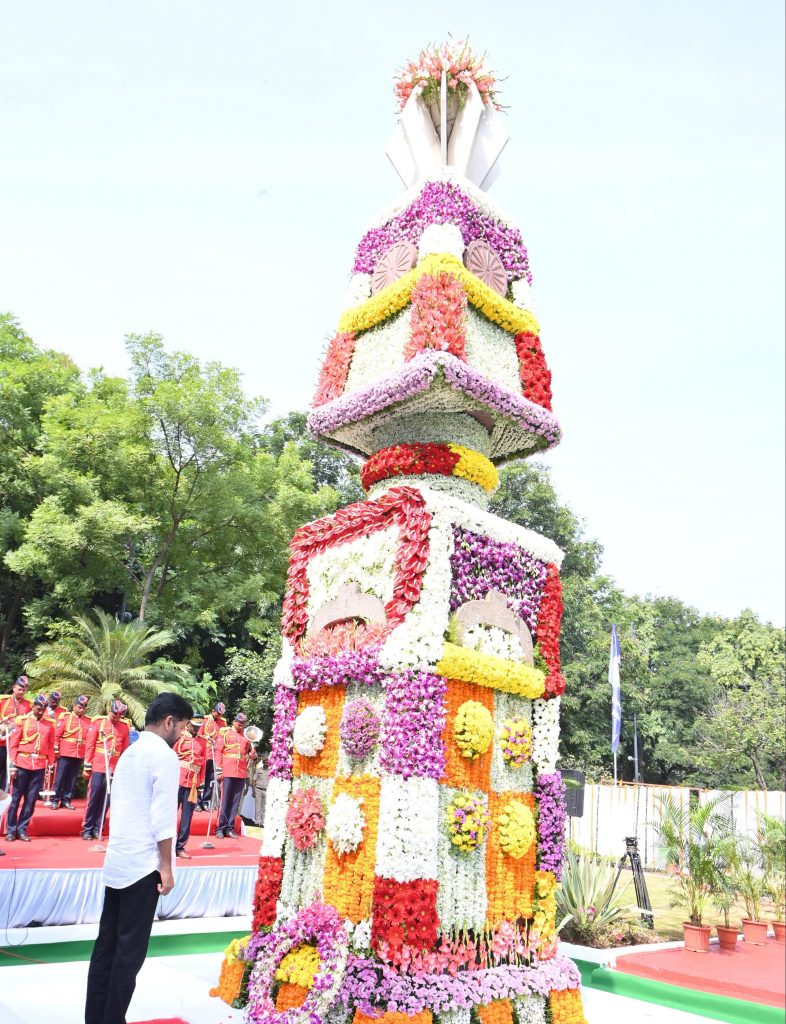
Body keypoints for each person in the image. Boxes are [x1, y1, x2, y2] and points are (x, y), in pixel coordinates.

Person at [84, 691, 193, 1024]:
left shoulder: (131, 752)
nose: (184, 735)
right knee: (128, 956)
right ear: (169, 721)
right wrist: (167, 868)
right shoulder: (163, 756)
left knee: (106, 949)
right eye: (184, 727)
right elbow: (162, 820)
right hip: (143, 867)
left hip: (118, 863)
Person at [6, 694, 55, 841]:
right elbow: (14, 744)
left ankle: (22, 829)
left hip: (39, 765)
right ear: (33, 706)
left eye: (43, 709)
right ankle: (10, 830)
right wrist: (12, 764)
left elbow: (51, 746)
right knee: (15, 798)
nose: (40, 711)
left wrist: (51, 764)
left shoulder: (49, 724)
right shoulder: (22, 721)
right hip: (22, 762)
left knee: (31, 799)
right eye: (38, 708)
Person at [81, 700, 130, 841]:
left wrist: (123, 769)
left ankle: (98, 828)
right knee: (93, 798)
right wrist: (87, 766)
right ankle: (87, 828)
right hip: (98, 765)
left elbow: (125, 750)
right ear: (110, 711)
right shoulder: (98, 723)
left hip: (113, 767)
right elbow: (90, 745)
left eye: (119, 715)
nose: (116, 717)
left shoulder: (124, 727)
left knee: (106, 800)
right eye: (114, 714)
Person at [214, 712, 257, 839]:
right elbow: (218, 751)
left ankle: (230, 827)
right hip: (227, 770)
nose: (241, 726)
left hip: (241, 772)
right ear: (234, 722)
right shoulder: (226, 733)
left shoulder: (246, 737)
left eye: (243, 724)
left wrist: (254, 756)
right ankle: (220, 827)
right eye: (239, 723)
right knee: (225, 800)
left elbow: (251, 754)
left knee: (235, 802)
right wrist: (219, 769)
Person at [47, 695, 92, 810]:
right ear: (75, 705)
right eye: (80, 706)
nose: (82, 709)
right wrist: (56, 750)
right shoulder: (65, 717)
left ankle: (66, 800)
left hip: (79, 752)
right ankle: (54, 800)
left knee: (72, 778)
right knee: (60, 778)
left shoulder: (88, 721)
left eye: (84, 707)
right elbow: (57, 735)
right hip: (65, 751)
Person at [173, 715, 205, 859]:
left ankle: (180, 847)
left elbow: (202, 764)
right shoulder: (179, 738)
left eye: (199, 726)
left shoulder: (201, 742)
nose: (197, 728)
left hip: (192, 783)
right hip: (177, 779)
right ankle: (166, 845)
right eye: (194, 725)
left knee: (187, 817)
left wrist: (200, 782)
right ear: (188, 725)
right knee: (169, 815)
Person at [0, 676, 32, 789]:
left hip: (15, 745)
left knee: (8, 773)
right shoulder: (3, 701)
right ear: (13, 687)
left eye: (24, 690)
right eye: (19, 689)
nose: (21, 692)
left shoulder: (29, 705)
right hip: (1, 742)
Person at [196, 702, 227, 810]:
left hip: (215, 754)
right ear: (213, 711)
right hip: (204, 752)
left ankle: (205, 801)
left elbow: (222, 737)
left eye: (221, 714)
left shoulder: (223, 723)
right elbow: (197, 734)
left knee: (210, 779)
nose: (219, 716)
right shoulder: (204, 720)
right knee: (201, 778)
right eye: (218, 713)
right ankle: (197, 801)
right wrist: (206, 737)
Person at [253, 750, 268, 827]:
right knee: (257, 807)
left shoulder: (271, 771)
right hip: (258, 789)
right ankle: (257, 822)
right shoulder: (259, 770)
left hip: (267, 791)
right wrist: (254, 791)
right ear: (262, 762)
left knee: (264, 807)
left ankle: (263, 822)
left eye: (267, 761)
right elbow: (254, 780)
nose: (266, 762)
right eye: (265, 761)